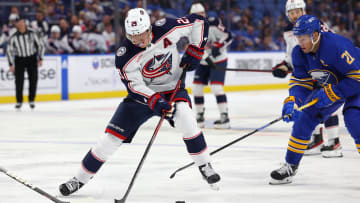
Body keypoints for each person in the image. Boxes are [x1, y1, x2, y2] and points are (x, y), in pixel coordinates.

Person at [59, 8, 221, 196]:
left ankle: (205, 165)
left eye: (142, 35)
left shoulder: (166, 28)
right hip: (142, 98)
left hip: (172, 90)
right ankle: (79, 179)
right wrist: (154, 100)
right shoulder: (124, 55)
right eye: (133, 37)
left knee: (186, 118)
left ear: (149, 28)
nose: (139, 41)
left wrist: (196, 48)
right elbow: (135, 87)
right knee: (109, 140)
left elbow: (199, 22)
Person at [269, 15, 360, 185]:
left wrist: (334, 92)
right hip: (334, 85)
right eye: (298, 38)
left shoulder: (335, 46)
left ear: (315, 35)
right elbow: (300, 82)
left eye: (303, 38)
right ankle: (290, 165)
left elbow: (357, 77)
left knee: (354, 118)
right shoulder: (299, 53)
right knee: (305, 118)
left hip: (355, 84)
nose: (300, 42)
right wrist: (293, 101)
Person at [271, 0, 342, 158]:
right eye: (292, 12)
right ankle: (317, 140)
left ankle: (334, 142)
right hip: (309, 72)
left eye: (298, 11)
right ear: (287, 14)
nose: (295, 15)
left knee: (326, 101)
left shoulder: (315, 25)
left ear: (304, 11)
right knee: (307, 104)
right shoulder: (288, 32)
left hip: (325, 70)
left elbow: (331, 46)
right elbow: (292, 56)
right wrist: (284, 66)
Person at [190, 3, 233, 129]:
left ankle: (224, 117)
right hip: (203, 61)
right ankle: (199, 116)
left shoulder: (213, 24)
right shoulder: (189, 30)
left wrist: (219, 46)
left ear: (205, 14)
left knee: (216, 88)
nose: (199, 17)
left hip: (219, 59)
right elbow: (196, 48)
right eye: (196, 15)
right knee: (196, 88)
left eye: (201, 14)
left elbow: (229, 36)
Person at [6, 18, 45, 109]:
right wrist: (11, 64)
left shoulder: (32, 33)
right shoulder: (14, 36)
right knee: (19, 81)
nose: (20, 25)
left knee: (33, 79)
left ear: (25, 23)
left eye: (22, 22)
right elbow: (9, 51)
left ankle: (31, 99)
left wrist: (41, 58)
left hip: (31, 58)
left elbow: (41, 45)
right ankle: (19, 101)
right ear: (16, 25)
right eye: (18, 23)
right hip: (19, 59)